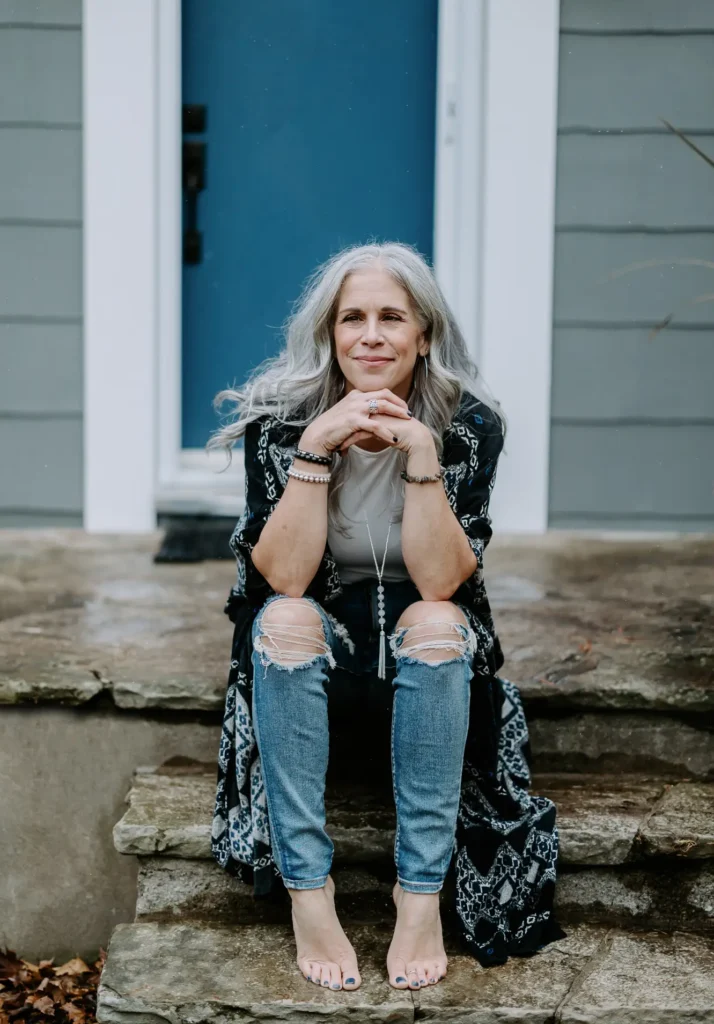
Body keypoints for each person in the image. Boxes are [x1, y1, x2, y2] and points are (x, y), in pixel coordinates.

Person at [208, 241, 565, 993]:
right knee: (284, 618)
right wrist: (315, 449)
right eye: (353, 318)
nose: (371, 335)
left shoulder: (469, 426)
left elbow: (442, 581)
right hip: (314, 654)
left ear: (423, 334)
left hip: (422, 650)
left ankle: (419, 894)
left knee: (437, 622)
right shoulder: (281, 421)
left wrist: (423, 453)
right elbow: (285, 576)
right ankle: (309, 890)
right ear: (330, 334)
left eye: (391, 318)